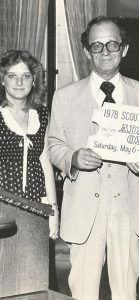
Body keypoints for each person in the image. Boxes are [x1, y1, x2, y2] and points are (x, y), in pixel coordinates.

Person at [48, 16, 139, 300]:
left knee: (125, 291)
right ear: (86, 51)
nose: (105, 52)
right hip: (84, 207)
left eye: (112, 44)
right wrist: (72, 157)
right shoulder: (64, 96)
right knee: (83, 291)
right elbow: (52, 144)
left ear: (124, 49)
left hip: (129, 207)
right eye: (97, 46)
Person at [0, 50, 59, 294]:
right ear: (2, 79)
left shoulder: (42, 115)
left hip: (35, 208)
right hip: (3, 207)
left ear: (34, 80)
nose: (19, 82)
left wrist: (53, 211)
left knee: (33, 282)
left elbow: (46, 162)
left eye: (25, 76)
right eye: (12, 76)